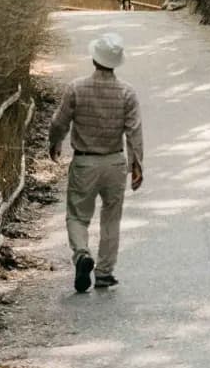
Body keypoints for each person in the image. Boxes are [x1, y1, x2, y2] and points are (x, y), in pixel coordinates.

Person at [49, 32, 144, 293]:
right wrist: (136, 165)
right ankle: (104, 272)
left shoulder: (76, 88)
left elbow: (59, 122)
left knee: (77, 216)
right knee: (111, 219)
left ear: (94, 59)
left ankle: (82, 254)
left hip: (85, 163)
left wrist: (55, 142)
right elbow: (134, 132)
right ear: (117, 63)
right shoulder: (127, 93)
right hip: (114, 163)